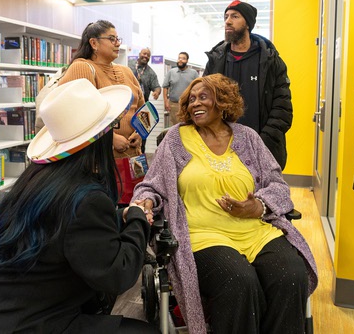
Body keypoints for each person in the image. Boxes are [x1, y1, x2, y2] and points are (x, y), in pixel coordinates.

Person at [0, 79, 159, 334]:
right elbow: (119, 272)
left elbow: (64, 230)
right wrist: (138, 219)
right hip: (29, 324)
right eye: (112, 127)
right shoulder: (87, 197)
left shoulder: (36, 181)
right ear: (98, 139)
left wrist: (120, 215)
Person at [132, 74, 318, 334]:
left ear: (222, 102)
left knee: (291, 275)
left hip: (255, 231)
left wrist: (258, 207)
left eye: (203, 97)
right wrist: (147, 202)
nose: (195, 102)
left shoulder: (249, 138)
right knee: (239, 281)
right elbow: (151, 185)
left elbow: (278, 186)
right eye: (191, 99)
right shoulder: (176, 140)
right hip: (202, 235)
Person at [204, 0, 292, 169]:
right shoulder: (215, 61)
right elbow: (205, 102)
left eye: (235, 16)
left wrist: (262, 143)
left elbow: (282, 109)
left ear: (248, 24)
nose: (228, 21)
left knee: (259, 195)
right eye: (226, 16)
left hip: (262, 150)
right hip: (222, 150)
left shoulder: (270, 60)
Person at [58, 20, 144, 158]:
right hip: (99, 159)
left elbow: (142, 108)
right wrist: (109, 139)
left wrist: (140, 132)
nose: (117, 43)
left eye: (117, 39)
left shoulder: (126, 71)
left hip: (132, 157)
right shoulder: (82, 67)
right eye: (111, 39)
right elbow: (75, 115)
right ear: (93, 43)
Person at [162, 51, 198, 125]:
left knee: (188, 125)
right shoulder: (171, 72)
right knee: (175, 127)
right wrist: (166, 102)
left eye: (183, 58)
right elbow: (165, 87)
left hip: (188, 105)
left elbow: (198, 87)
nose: (180, 60)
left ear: (187, 61)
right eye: (179, 58)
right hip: (174, 105)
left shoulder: (193, 73)